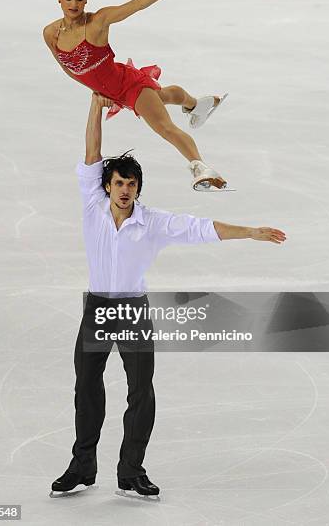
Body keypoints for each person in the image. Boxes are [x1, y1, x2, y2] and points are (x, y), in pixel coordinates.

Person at [50, 92, 286, 499]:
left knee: (141, 391)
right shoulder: (93, 206)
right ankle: (82, 465)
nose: (125, 189)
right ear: (107, 186)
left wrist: (248, 231)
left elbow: (200, 228)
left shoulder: (152, 222)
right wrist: (94, 101)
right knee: (86, 387)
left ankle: (131, 471)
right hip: (98, 311)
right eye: (119, 182)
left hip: (133, 312)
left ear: (138, 189)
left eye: (132, 184)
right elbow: (92, 150)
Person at [43, 0, 231, 192]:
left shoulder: (98, 22)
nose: (74, 4)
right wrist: (98, 92)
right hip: (114, 93)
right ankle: (196, 105)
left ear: (86, 0)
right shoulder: (50, 33)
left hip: (129, 85)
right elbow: (68, 68)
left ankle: (200, 167)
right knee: (161, 96)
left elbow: (137, 4)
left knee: (164, 126)